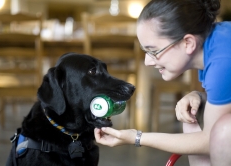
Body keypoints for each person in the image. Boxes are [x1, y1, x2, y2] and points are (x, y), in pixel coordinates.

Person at [94, 0, 231, 165]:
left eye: (153, 51)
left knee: (225, 130)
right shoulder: (216, 42)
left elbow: (209, 141)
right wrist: (199, 95)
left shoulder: (222, 60)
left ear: (188, 43)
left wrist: (137, 137)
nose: (147, 62)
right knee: (191, 114)